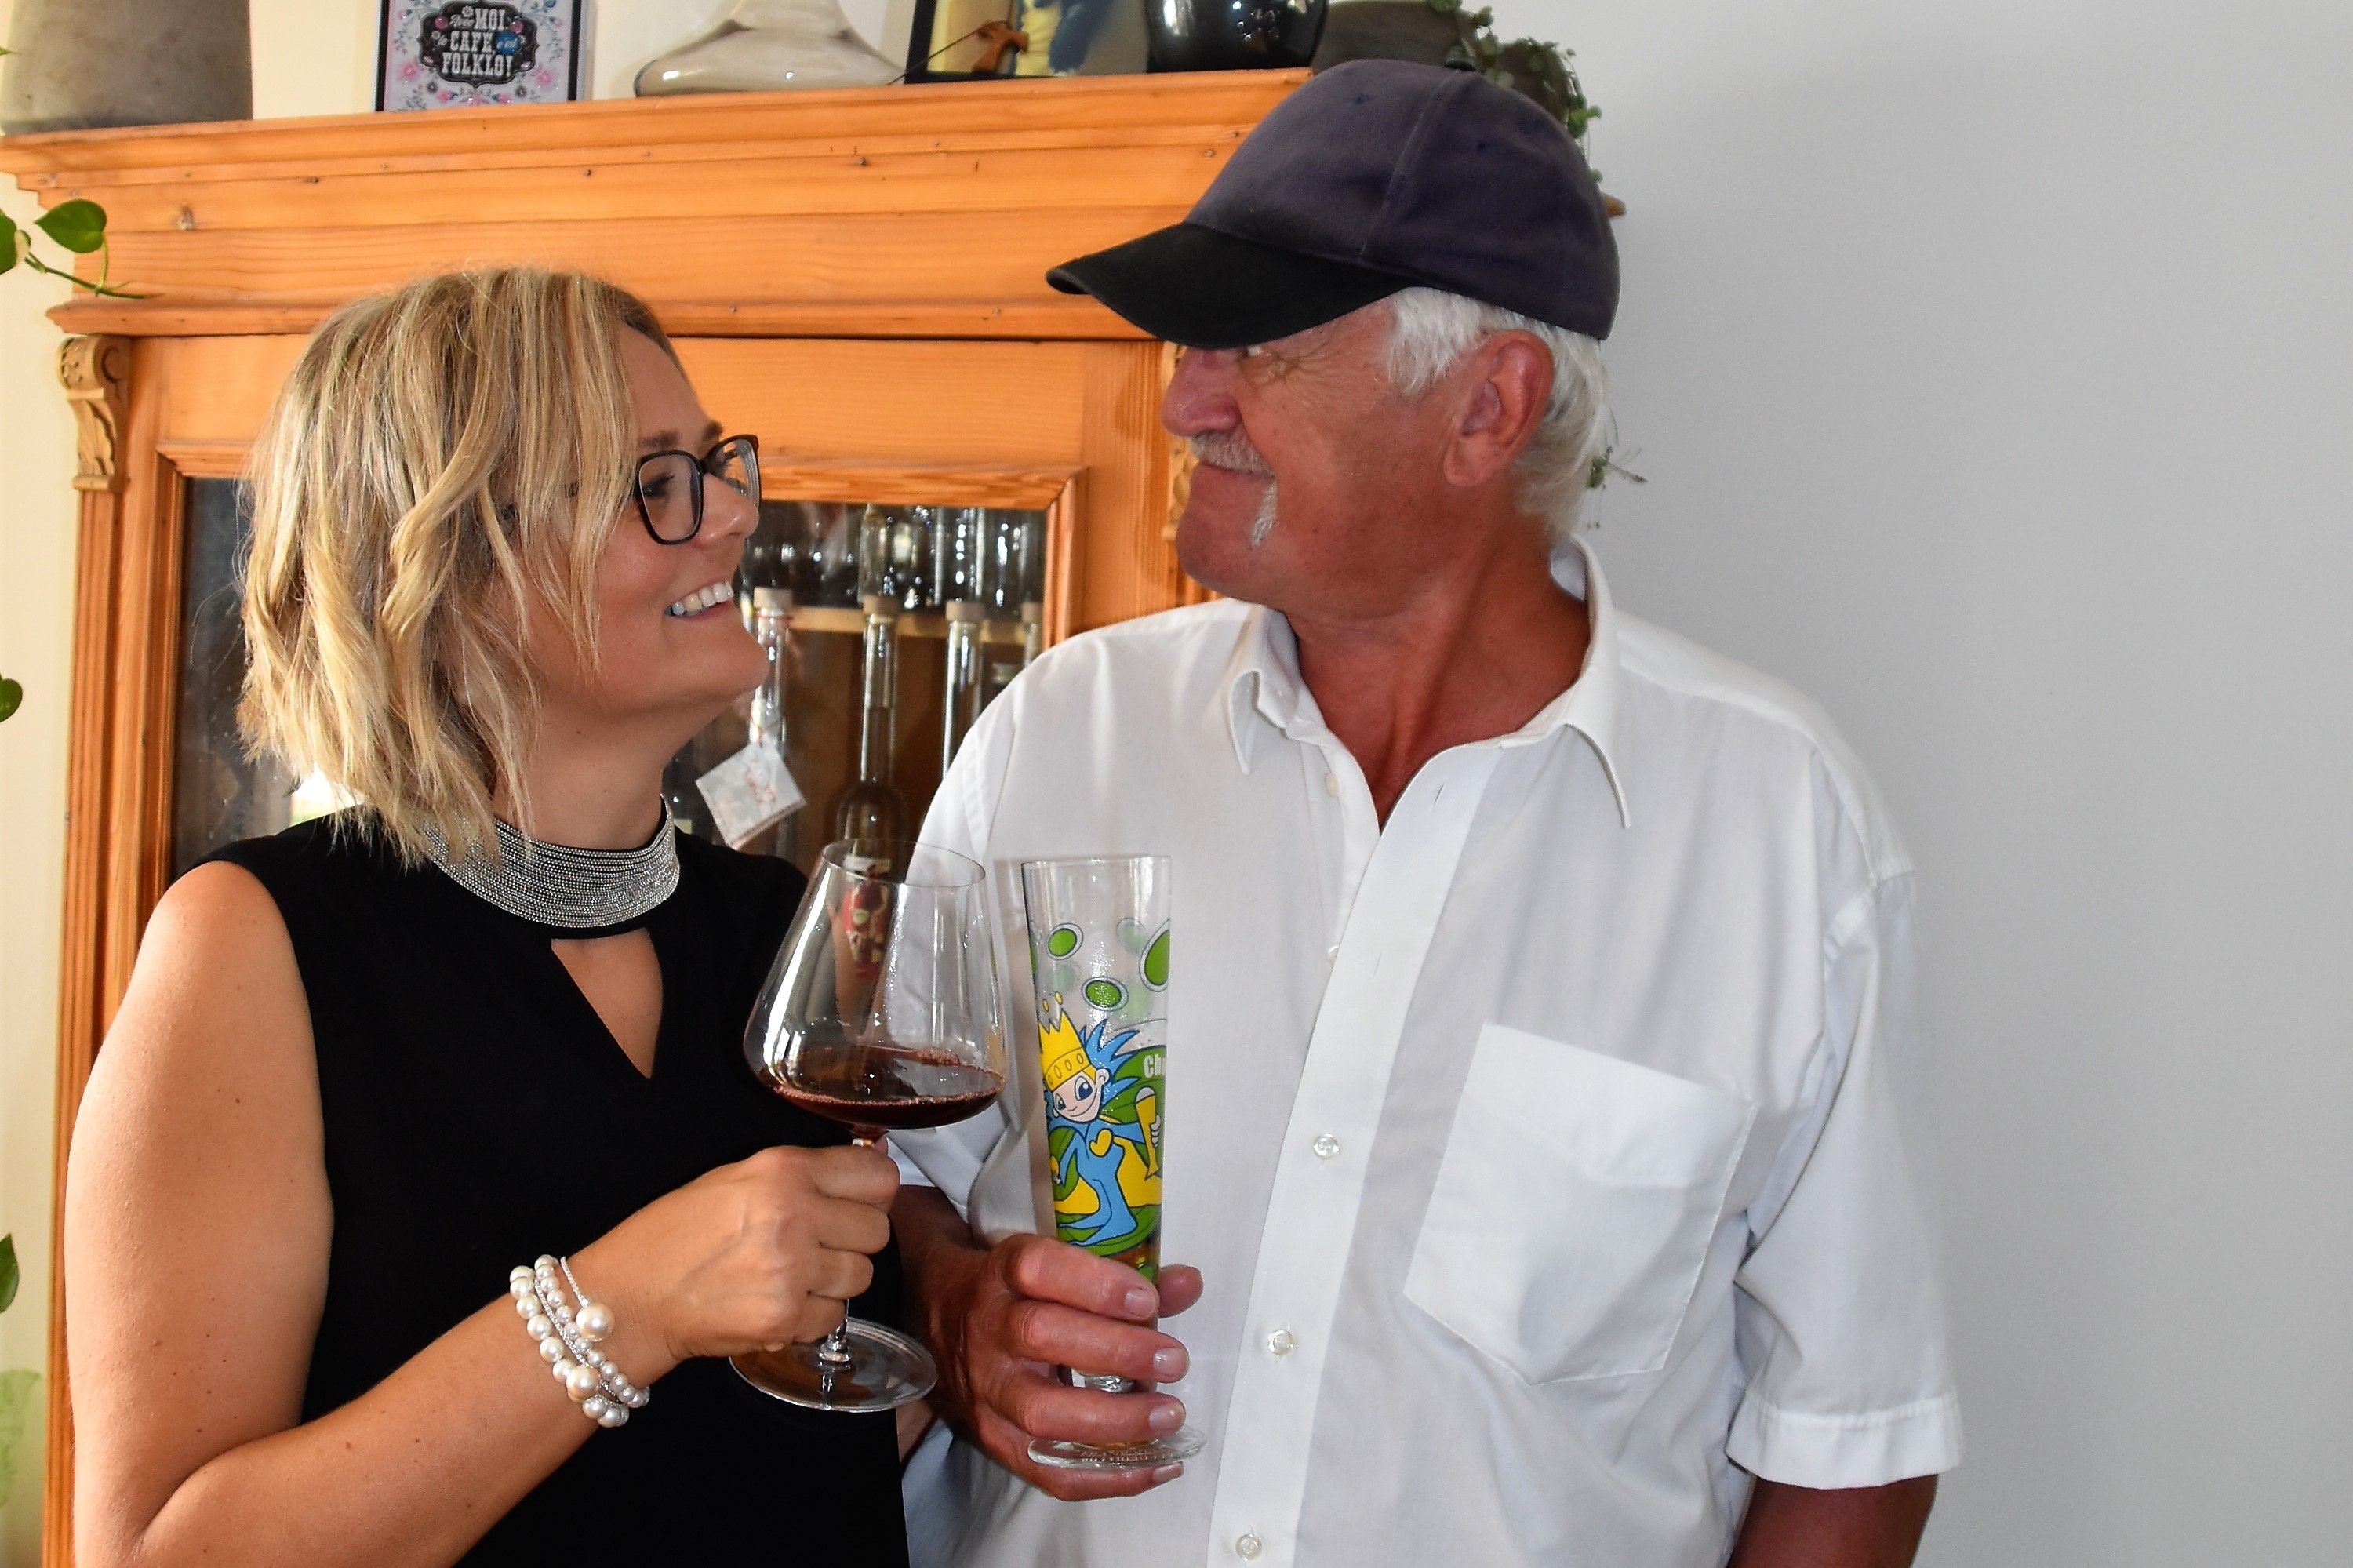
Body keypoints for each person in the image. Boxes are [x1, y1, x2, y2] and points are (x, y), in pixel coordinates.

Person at [889, 60, 1962, 1566]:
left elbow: (1849, 1446)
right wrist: (952, 1310)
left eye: (1257, 350)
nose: (1184, 397)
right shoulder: (1063, 737)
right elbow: (884, 1182)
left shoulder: (1779, 837)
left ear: (1486, 410)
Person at [64, 268, 911, 1566]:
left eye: (714, 463)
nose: (735, 514)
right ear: (451, 566)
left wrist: (977, 1335)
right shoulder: (256, 942)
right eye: (655, 481)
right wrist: (625, 1304)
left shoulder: (782, 931)